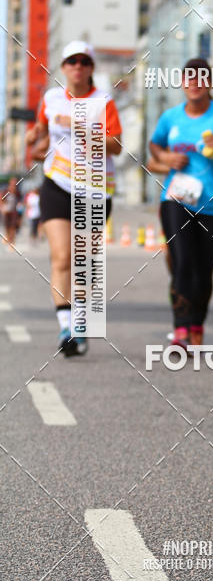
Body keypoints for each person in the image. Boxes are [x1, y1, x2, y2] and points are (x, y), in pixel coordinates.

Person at [27, 41, 122, 356]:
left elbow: (116, 146)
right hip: (56, 184)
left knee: (85, 263)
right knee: (62, 257)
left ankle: (81, 324)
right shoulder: (51, 98)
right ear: (64, 67)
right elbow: (41, 132)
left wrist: (80, 127)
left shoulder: (102, 102)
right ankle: (67, 327)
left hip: (95, 188)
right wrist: (35, 141)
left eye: (83, 61)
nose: (77, 67)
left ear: (91, 67)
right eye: (71, 61)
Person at [149, 57, 213, 351]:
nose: (195, 84)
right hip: (176, 200)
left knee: (203, 269)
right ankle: (180, 329)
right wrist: (165, 158)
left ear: (209, 83)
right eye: (189, 78)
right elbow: (155, 145)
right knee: (182, 262)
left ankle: (197, 322)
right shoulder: (170, 117)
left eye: (201, 78)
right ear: (182, 83)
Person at [1, 177, 21, 246]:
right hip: (7, 212)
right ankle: (8, 238)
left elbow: (19, 200)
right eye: (12, 182)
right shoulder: (6, 191)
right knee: (7, 227)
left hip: (14, 212)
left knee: (13, 227)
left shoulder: (17, 192)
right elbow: (2, 199)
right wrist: (2, 208)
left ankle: (12, 242)